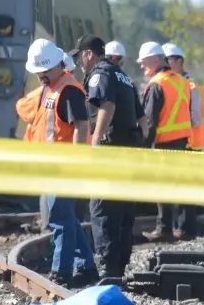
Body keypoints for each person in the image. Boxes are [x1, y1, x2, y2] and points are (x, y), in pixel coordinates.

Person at [67, 35, 145, 281]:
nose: (79, 61)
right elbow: (142, 120)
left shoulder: (100, 74)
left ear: (89, 54)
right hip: (128, 153)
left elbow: (107, 106)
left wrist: (97, 141)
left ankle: (107, 270)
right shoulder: (124, 77)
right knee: (123, 211)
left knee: (102, 209)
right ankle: (118, 268)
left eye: (80, 55)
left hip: (109, 152)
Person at [24, 39, 98, 287]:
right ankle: (86, 267)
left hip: (64, 167)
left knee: (60, 219)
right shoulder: (52, 88)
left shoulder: (68, 90)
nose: (41, 75)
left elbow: (81, 126)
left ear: (58, 65)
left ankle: (61, 271)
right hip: (51, 166)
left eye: (45, 70)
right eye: (38, 71)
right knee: (66, 218)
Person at [137, 42, 195, 241]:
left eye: (143, 63)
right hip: (181, 141)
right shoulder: (181, 80)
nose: (141, 66)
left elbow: (150, 122)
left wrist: (144, 149)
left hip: (164, 142)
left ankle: (164, 229)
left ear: (155, 60)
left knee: (162, 186)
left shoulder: (157, 84)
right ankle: (180, 228)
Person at [163, 43, 203, 152]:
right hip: (176, 144)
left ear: (179, 61)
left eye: (168, 60)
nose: (164, 64)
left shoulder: (191, 87)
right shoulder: (166, 85)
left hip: (190, 146)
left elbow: (194, 118)